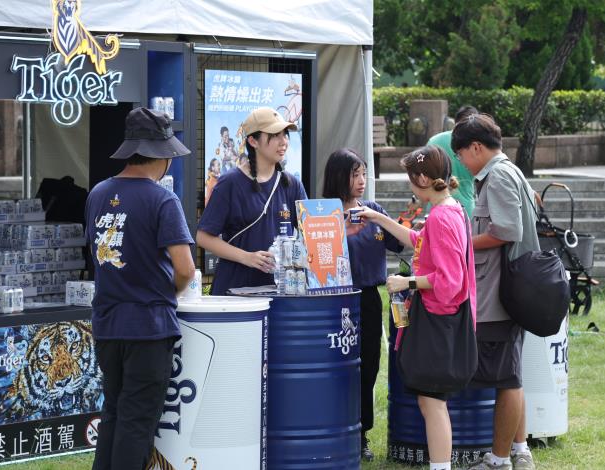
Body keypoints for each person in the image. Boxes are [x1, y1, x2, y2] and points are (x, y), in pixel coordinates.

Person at [86, 107, 196, 470]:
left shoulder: (98, 194)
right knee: (136, 422)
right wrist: (172, 292)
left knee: (114, 413)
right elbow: (186, 269)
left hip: (107, 326)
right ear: (159, 154)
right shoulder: (163, 200)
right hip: (148, 328)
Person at [357, 145, 476, 470]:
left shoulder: (440, 217)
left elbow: (450, 279)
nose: (410, 185)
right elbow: (417, 240)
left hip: (438, 320)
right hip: (445, 320)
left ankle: (440, 466)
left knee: (432, 402)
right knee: (431, 402)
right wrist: (378, 218)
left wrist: (406, 283)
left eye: (411, 178)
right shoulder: (451, 210)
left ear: (423, 178)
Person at [451, 114, 538, 470]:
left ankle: (500, 460)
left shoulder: (498, 175)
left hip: (500, 293)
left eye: (462, 156)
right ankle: (519, 452)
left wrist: (463, 244)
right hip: (510, 289)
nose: (463, 165)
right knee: (511, 375)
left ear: (476, 147)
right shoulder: (510, 170)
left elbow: (506, 231)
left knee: (505, 379)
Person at [322, 148, 403, 461]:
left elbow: (400, 241)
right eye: (354, 174)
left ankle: (361, 433)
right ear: (338, 177)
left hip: (368, 298)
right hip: (333, 300)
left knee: (367, 367)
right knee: (336, 368)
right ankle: (333, 428)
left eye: (364, 174)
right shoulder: (322, 213)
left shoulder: (373, 210)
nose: (361, 181)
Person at [196, 107, 307, 295]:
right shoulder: (229, 183)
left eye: (285, 135)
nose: (284, 142)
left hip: (279, 291)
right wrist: (247, 257)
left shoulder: (292, 184)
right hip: (235, 292)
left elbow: (309, 230)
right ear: (253, 141)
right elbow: (203, 237)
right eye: (275, 135)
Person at [426, 105, 479, 217]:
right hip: (464, 210)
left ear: (455, 123)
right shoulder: (476, 146)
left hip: (435, 207)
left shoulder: (434, 141)